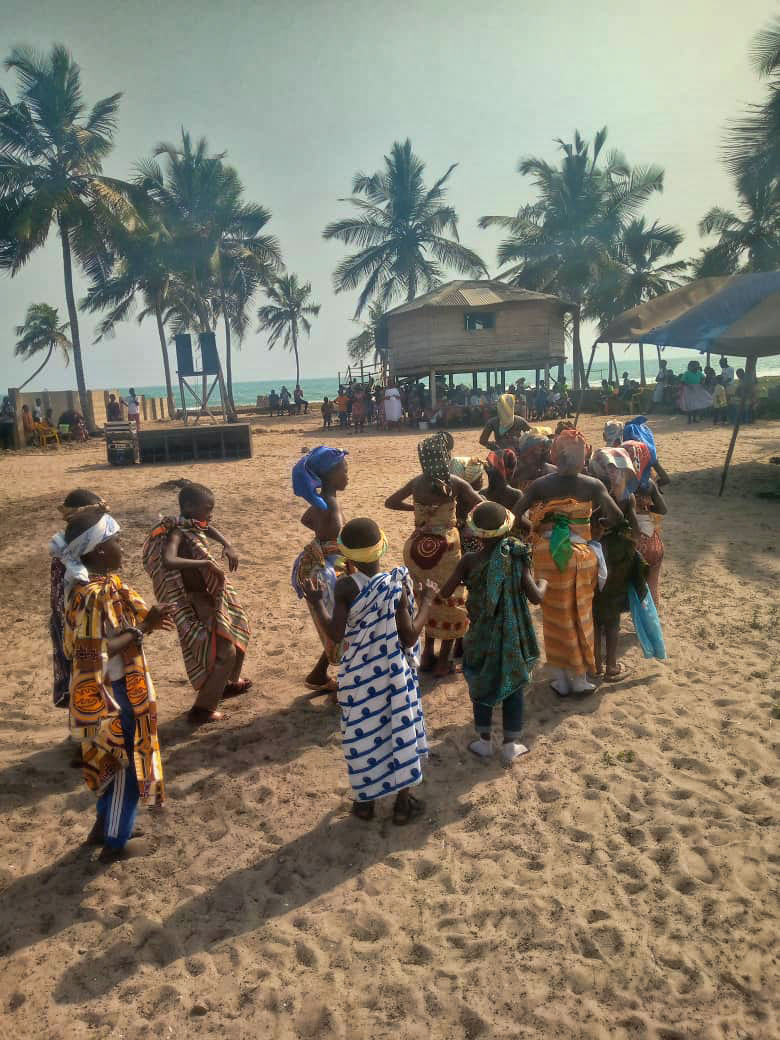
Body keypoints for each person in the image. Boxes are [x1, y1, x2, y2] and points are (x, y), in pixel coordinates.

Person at [301, 517, 432, 824]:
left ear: (345, 553)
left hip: (359, 675)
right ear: (381, 548)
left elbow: (336, 635)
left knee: (364, 735)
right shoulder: (395, 586)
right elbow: (410, 637)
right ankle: (402, 804)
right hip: (394, 675)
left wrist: (317, 602)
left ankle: (365, 803)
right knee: (400, 729)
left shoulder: (346, 586)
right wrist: (427, 601)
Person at [61, 507, 171, 862]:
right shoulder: (93, 595)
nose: (121, 547)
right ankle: (115, 842)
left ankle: (105, 826)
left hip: (116, 686)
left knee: (113, 762)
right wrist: (144, 627)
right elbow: (98, 649)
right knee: (128, 766)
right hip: (113, 693)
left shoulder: (102, 586)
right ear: (98, 550)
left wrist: (147, 620)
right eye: (115, 541)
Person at [511, 428, 623, 696]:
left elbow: (514, 515)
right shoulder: (592, 485)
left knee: (555, 617)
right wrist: (592, 521)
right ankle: (580, 679)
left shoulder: (541, 485)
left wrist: (538, 526)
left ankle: (561, 681)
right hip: (581, 557)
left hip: (548, 556)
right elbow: (617, 517)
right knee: (580, 614)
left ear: (555, 455)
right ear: (583, 457)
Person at [439, 502, 546, 762]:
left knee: (481, 681)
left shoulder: (469, 560)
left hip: (480, 633)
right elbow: (536, 597)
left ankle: (484, 741)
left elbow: (445, 592)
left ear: (476, 533)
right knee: (513, 683)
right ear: (506, 529)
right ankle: (510, 745)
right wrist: (544, 582)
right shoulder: (516, 558)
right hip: (512, 634)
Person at [142, 482, 252, 725]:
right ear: (190, 507)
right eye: (207, 508)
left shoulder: (192, 525)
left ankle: (224, 684)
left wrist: (227, 544)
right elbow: (169, 560)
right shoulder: (177, 532)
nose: (210, 514)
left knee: (236, 631)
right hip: (194, 602)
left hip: (208, 597)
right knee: (225, 651)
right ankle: (202, 709)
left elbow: (208, 528)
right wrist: (205, 563)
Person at [385, 432, 482, 678]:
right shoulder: (455, 482)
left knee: (426, 598)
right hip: (445, 547)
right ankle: (443, 662)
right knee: (451, 600)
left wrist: (415, 509)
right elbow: (481, 503)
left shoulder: (416, 482)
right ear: (444, 457)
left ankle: (428, 654)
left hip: (416, 545)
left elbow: (390, 502)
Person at [291, 446, 350, 694]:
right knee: (343, 623)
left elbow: (307, 520)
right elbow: (340, 541)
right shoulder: (330, 504)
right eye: (344, 471)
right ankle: (346, 682)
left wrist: (321, 538)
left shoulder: (322, 501)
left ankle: (318, 675)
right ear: (329, 476)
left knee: (338, 623)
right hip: (329, 570)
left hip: (324, 563)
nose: (347, 476)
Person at [589, 448, 650, 680]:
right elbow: (635, 532)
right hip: (618, 558)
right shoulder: (626, 498)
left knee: (595, 613)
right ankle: (611, 667)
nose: (613, 473)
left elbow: (590, 526)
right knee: (612, 616)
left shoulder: (596, 494)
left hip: (596, 555)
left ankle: (596, 665)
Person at [49, 490, 108, 715]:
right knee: (85, 675)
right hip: (76, 622)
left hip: (74, 619)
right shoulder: (70, 553)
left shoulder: (68, 546)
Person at [623, 439, 667, 605]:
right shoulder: (649, 484)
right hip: (653, 541)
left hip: (633, 542)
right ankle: (653, 619)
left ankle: (639, 619)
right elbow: (663, 510)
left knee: (633, 589)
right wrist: (645, 509)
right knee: (652, 584)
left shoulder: (620, 484)